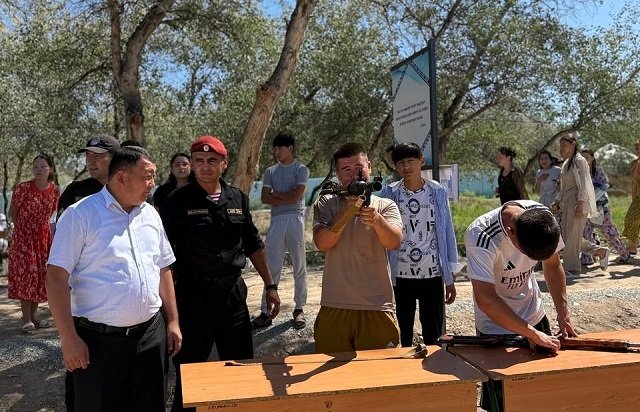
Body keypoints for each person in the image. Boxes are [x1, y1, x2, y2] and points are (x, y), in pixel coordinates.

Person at [46, 146, 181, 411]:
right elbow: (56, 277)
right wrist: (68, 339)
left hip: (150, 338)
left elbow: (163, 267)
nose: (153, 183)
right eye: (148, 176)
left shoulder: (150, 214)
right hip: (98, 344)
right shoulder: (80, 214)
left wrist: (173, 321)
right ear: (121, 177)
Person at [159, 135, 281, 412]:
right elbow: (162, 256)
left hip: (231, 298)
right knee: (189, 375)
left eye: (212, 160)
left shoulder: (237, 197)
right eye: (199, 161)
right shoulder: (176, 202)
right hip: (193, 299)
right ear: (192, 164)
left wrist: (271, 286)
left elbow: (253, 244)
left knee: (240, 370)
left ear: (224, 164)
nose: (205, 166)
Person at [465, 200, 578, 411]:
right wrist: (532, 334)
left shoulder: (542, 218)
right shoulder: (481, 236)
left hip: (534, 316)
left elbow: (553, 265)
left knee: (543, 396)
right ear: (511, 232)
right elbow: (486, 299)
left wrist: (563, 315)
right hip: (495, 327)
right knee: (501, 402)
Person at [313, 142, 402, 353]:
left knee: (381, 371)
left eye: (359, 168)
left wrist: (376, 220)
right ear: (338, 174)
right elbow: (322, 243)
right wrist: (346, 212)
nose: (355, 175)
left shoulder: (385, 205)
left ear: (369, 167)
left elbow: (394, 242)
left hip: (377, 307)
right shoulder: (327, 203)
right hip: (335, 305)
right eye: (347, 170)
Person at [380, 143, 460, 346]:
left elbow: (446, 232)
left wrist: (449, 277)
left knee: (433, 334)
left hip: (431, 273)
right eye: (401, 163)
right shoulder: (390, 192)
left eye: (410, 161)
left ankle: (433, 365)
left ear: (421, 161)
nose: (406, 167)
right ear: (396, 166)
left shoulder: (437, 191)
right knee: (403, 333)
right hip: (400, 275)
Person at [253, 133, 309, 329]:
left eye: (281, 147)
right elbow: (265, 198)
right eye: (275, 148)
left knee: (299, 265)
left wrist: (277, 194)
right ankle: (266, 311)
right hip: (276, 220)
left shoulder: (301, 169)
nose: (277, 151)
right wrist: (285, 196)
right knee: (272, 266)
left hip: (296, 218)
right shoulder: (270, 171)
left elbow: (297, 196)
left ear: (290, 148)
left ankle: (299, 308)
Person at [8, 154, 59, 331]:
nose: (38, 169)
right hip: (24, 236)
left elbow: (51, 213)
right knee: (27, 275)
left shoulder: (55, 190)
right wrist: (22, 230)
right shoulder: (23, 188)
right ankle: (26, 318)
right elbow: (13, 212)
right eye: (35, 166)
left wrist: (40, 229)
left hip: (43, 237)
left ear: (50, 169)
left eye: (43, 166)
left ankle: (34, 316)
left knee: (40, 275)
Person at [552, 133, 607, 275]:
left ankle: (573, 269)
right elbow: (563, 187)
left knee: (571, 237)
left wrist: (580, 205)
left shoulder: (579, 160)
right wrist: (557, 201)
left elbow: (584, 184)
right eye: (560, 146)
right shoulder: (566, 163)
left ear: (573, 144)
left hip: (577, 202)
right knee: (569, 237)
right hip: (567, 203)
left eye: (564, 145)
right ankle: (600, 252)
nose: (562, 148)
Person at [579, 149, 630, 265]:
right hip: (585, 207)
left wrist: (592, 198)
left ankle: (624, 254)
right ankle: (588, 258)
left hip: (600, 207)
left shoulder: (598, 171)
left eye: (586, 157)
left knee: (609, 232)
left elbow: (604, 186)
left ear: (592, 158)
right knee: (586, 233)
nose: (584, 160)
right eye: (582, 157)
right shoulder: (578, 173)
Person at [57, 134, 120, 217]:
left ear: (115, 159)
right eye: (88, 155)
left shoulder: (127, 191)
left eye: (97, 156)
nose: (91, 161)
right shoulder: (75, 190)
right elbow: (63, 222)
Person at [622, 140, 640, 256]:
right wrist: (633, 197)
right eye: (637, 148)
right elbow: (633, 181)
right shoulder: (634, 162)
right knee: (631, 219)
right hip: (638, 197)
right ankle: (632, 247)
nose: (638, 150)